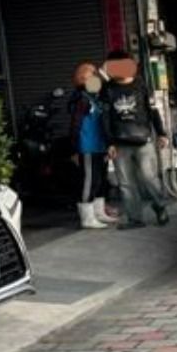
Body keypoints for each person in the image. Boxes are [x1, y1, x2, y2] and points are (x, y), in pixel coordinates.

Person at [100, 50, 170, 229]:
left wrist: (161, 133)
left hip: (143, 141)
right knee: (126, 184)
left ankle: (160, 208)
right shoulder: (107, 88)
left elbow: (153, 110)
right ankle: (135, 219)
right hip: (119, 143)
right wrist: (109, 143)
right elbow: (105, 118)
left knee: (149, 178)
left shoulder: (142, 84)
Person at [68, 63, 118, 229]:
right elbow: (75, 124)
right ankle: (87, 218)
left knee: (100, 181)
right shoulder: (81, 99)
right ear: (83, 79)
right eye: (92, 75)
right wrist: (74, 148)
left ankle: (99, 212)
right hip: (87, 146)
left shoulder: (95, 97)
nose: (96, 78)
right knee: (88, 182)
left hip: (100, 146)